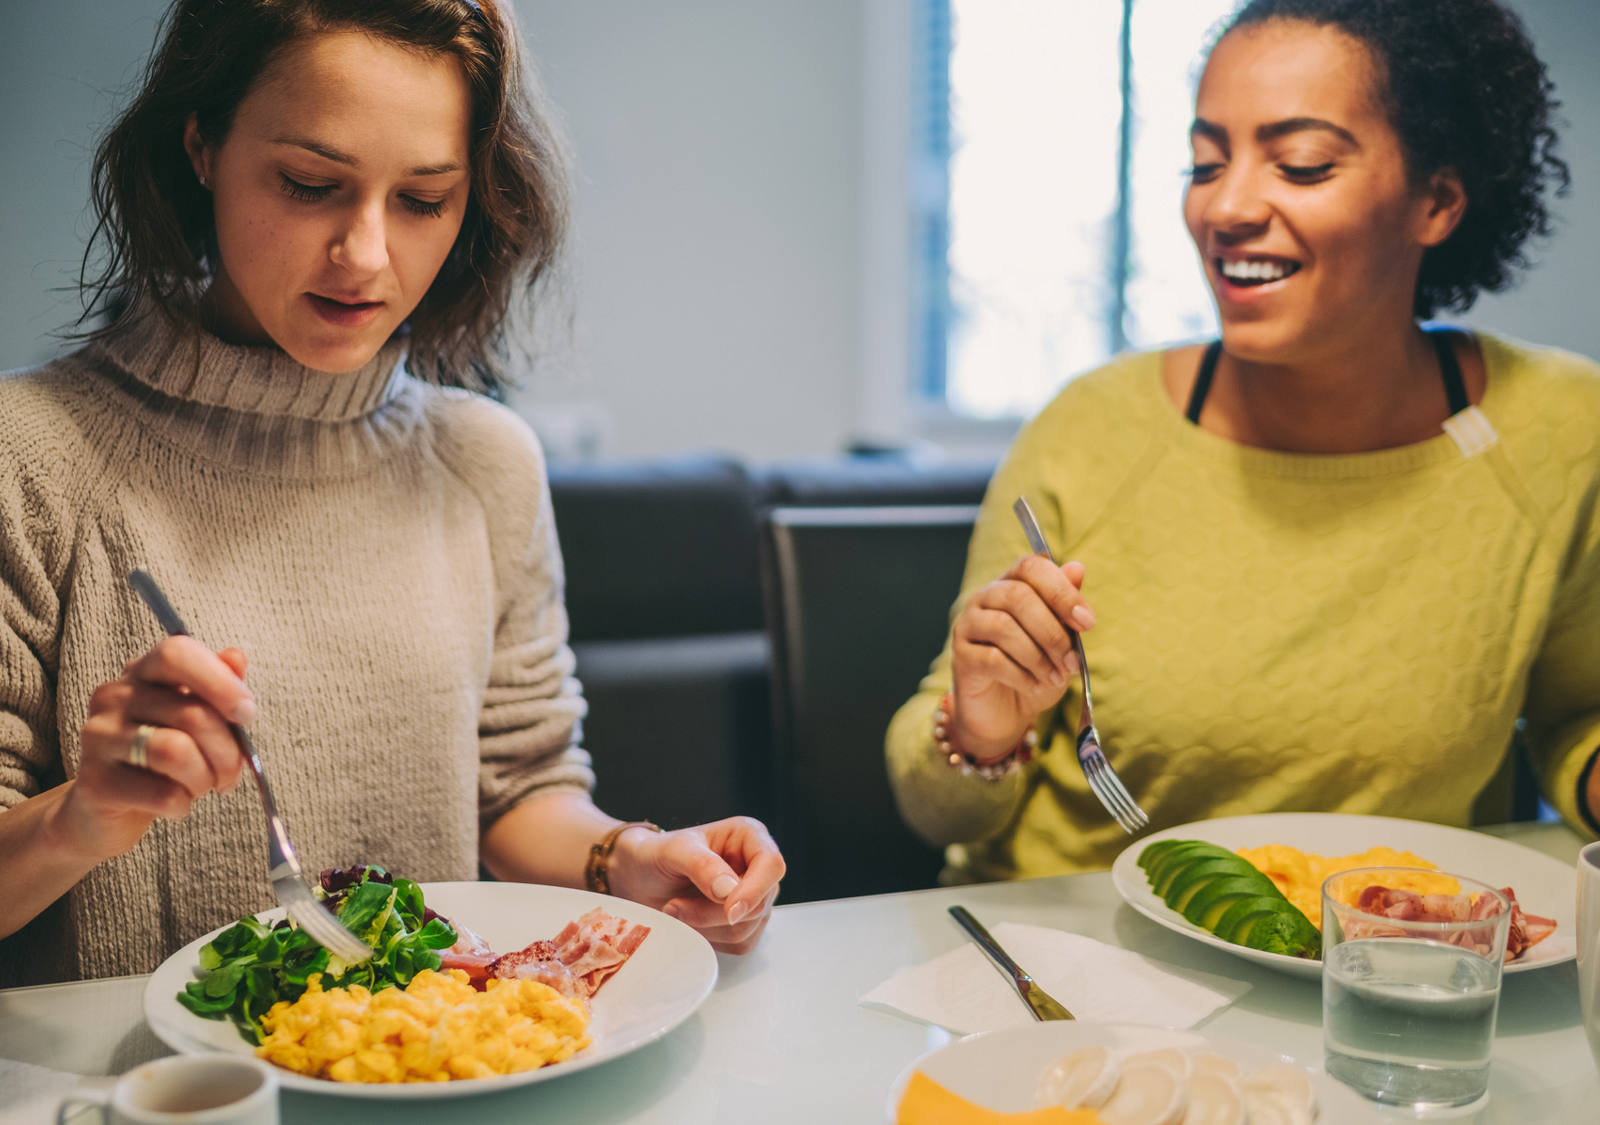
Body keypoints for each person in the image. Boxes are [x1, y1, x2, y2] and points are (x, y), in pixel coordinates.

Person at [0, 0, 783, 987]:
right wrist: (82, 819)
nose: (366, 255)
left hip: (423, 1068)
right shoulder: (26, 458)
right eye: (310, 183)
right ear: (200, 144)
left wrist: (626, 856)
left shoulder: (484, 461)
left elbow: (518, 791)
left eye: (422, 200)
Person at [887, 0, 1600, 884]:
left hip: (1386, 976)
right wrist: (985, 726)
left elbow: (1581, 716)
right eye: (1205, 163)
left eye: (1299, 166)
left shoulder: (1558, 429)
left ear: (1437, 201)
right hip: (1074, 973)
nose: (1225, 206)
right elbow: (933, 808)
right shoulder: (1093, 427)